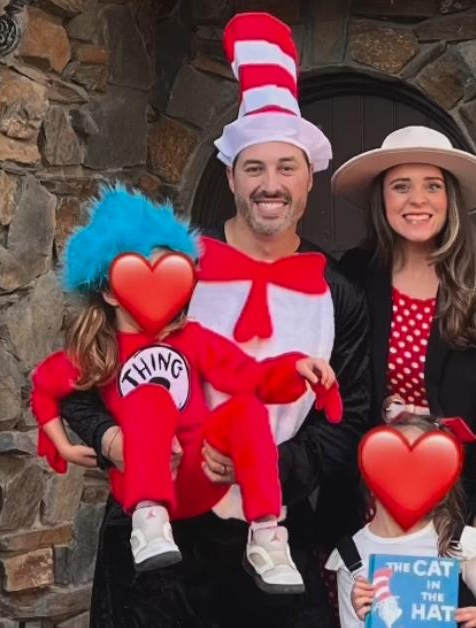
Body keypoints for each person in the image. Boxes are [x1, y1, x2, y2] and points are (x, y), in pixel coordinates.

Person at [59, 12, 371, 628]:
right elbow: (85, 378)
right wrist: (112, 439)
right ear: (230, 177)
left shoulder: (340, 292)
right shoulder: (173, 271)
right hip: (160, 550)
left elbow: (351, 417)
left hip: (277, 539)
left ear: (310, 179)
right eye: (254, 168)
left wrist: (268, 467)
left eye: (287, 168)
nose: (270, 185)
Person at [29, 186, 341, 592]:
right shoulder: (97, 353)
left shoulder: (190, 337)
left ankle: (266, 534)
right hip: (144, 476)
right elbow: (45, 389)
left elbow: (250, 376)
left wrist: (295, 367)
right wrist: (65, 446)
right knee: (152, 397)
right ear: (108, 290)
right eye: (139, 272)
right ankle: (149, 519)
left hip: (199, 471)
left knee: (246, 408)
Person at [335, 125, 476, 601]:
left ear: (450, 198)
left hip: (455, 509)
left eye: (432, 185)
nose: (416, 199)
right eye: (401, 186)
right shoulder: (356, 275)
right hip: (370, 504)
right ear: (382, 198)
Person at [326, 414, 476, 628]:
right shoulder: (352, 556)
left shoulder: (456, 540)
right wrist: (360, 611)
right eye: (390, 462)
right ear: (370, 472)